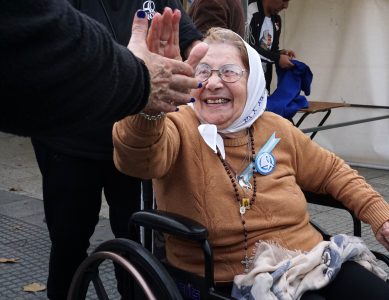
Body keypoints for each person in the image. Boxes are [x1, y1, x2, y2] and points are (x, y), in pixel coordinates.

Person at [113, 27, 389, 299]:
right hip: (228, 278)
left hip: (309, 259)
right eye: (204, 71)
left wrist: (380, 216)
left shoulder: (276, 127)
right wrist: (150, 105)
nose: (213, 83)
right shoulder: (176, 126)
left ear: (253, 79)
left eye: (229, 72)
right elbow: (138, 161)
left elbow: (332, 172)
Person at [26, 3, 203, 300]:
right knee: (69, 241)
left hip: (129, 144)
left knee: (133, 237)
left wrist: (211, 59)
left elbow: (189, 37)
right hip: (68, 144)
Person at [0, 0, 205, 137]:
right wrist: (140, 76)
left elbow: (188, 35)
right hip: (70, 139)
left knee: (133, 202)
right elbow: (47, 42)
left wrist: (210, 60)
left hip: (130, 132)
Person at [247, 0, 296, 92]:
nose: (286, 6)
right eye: (284, 0)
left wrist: (281, 53)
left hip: (264, 81)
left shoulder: (277, 20)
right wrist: (277, 58)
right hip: (247, 81)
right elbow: (246, 48)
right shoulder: (249, 11)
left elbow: (270, 51)